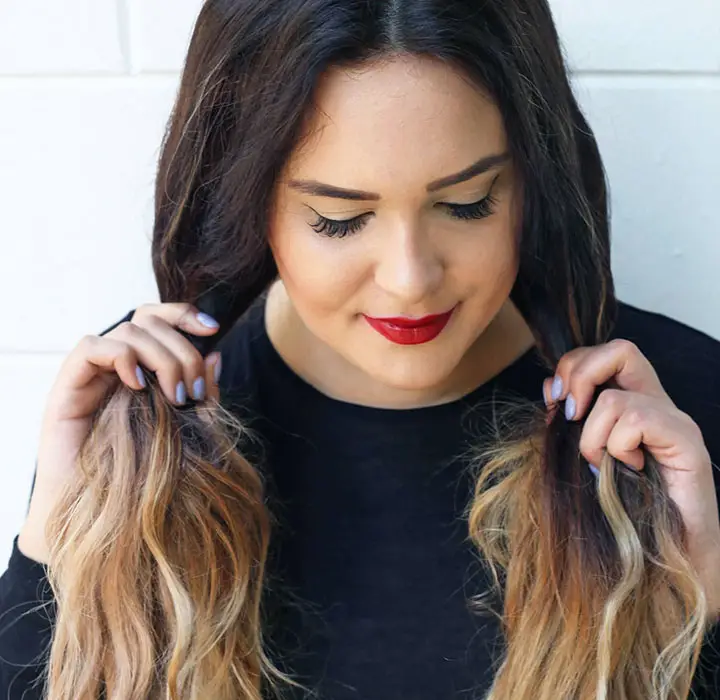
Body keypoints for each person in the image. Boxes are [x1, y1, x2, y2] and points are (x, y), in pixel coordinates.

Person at [2, 1, 719, 698]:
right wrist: (52, 553)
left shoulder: (677, 416)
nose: (410, 279)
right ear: (247, 204)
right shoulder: (141, 407)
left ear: (534, 182)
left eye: (467, 204)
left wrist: (702, 608)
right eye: (339, 219)